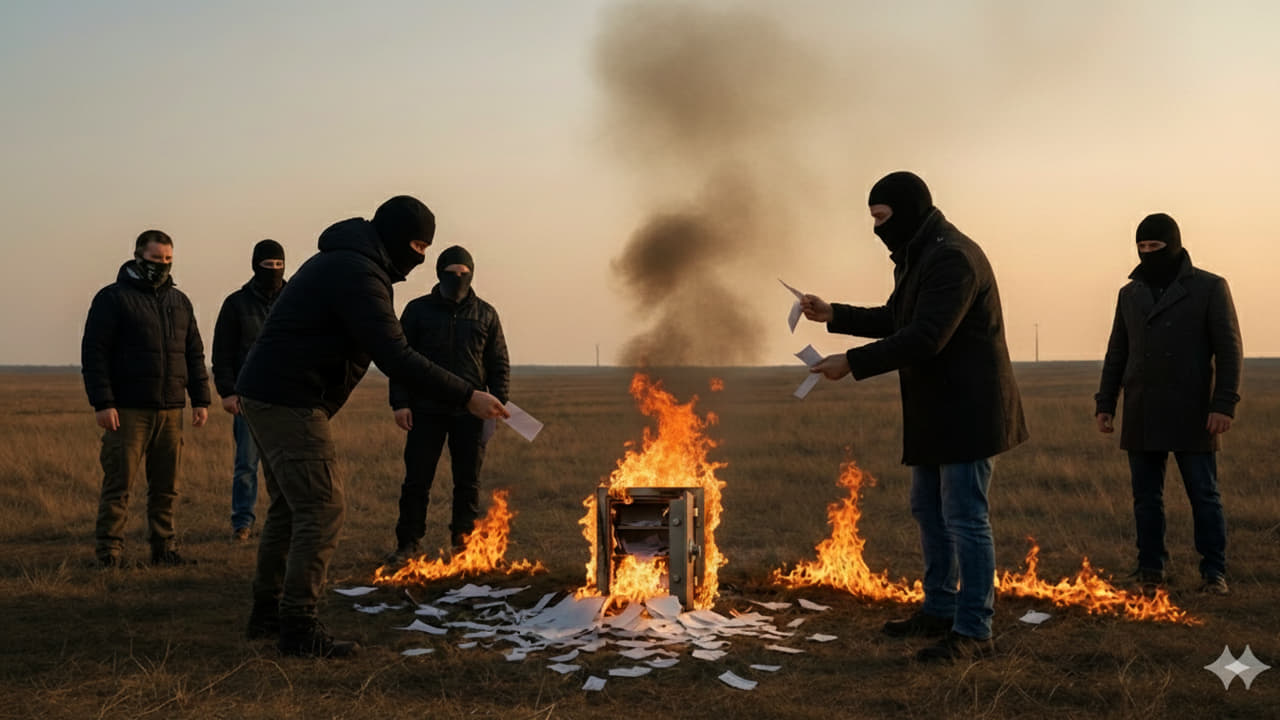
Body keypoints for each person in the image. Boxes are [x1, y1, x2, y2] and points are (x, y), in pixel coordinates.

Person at [234, 195, 509, 658]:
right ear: (398, 237)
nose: (421, 259)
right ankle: (298, 627)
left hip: (272, 393)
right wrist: (467, 394)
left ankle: (269, 612)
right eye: (418, 246)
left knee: (290, 508)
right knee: (322, 508)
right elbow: (395, 354)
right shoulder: (357, 272)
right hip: (289, 398)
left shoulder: (351, 262)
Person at [800, 171, 1027, 662]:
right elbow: (895, 317)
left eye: (881, 218)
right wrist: (832, 313)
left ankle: (974, 631)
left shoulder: (951, 257)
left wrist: (852, 364)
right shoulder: (917, 255)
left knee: (966, 518)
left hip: (967, 410)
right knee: (929, 511)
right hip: (934, 411)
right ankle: (940, 609)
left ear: (906, 211)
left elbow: (926, 337)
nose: (876, 228)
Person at [1094, 213, 1242, 596]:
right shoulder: (1130, 293)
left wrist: (1223, 404)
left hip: (1194, 410)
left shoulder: (1209, 287)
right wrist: (1106, 402)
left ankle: (1214, 573)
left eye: (1155, 247)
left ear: (1173, 245)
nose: (1147, 254)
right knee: (1146, 497)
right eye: (1141, 247)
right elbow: (1117, 351)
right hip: (1142, 409)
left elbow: (1229, 351)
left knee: (1204, 494)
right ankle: (1150, 569)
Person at [81, 229, 211, 568]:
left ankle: (163, 548)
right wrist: (103, 403)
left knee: (167, 486)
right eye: (156, 259)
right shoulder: (113, 298)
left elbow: (194, 353)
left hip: (170, 410)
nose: (162, 265)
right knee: (118, 484)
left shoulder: (179, 302)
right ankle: (109, 552)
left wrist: (200, 399)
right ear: (139, 257)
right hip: (126, 409)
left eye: (168, 259)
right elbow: (95, 354)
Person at [384, 245, 510, 566]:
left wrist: (498, 405)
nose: (458, 278)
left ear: (472, 274)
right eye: (452, 272)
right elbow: (399, 361)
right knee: (417, 480)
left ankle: (463, 543)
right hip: (425, 409)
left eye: (463, 273)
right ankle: (409, 543)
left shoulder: (486, 314)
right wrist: (400, 403)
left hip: (471, 413)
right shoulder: (417, 311)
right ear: (439, 273)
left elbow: (498, 364)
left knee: (468, 482)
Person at [212, 239, 287, 543]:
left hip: (288, 398)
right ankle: (242, 523)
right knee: (246, 465)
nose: (274, 271)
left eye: (279, 265)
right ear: (255, 265)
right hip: (248, 398)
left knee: (286, 464)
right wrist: (227, 393)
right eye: (268, 265)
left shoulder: (295, 298)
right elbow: (222, 352)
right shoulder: (236, 304)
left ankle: (285, 521)